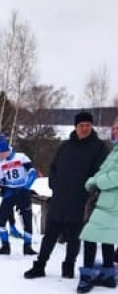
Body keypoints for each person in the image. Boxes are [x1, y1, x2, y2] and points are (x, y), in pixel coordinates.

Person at [24, 111, 108, 280]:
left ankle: (68, 267)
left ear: (91, 127)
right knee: (50, 234)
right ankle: (40, 265)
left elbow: (100, 173)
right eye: (81, 125)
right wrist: (53, 183)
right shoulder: (66, 145)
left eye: (88, 125)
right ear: (75, 127)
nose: (84, 128)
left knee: (73, 237)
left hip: (80, 199)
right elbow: (53, 167)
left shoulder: (98, 147)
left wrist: (89, 191)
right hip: (59, 197)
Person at [74, 118, 118, 293]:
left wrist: (95, 182)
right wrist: (94, 180)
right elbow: (103, 170)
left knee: (90, 235)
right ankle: (108, 275)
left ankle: (87, 275)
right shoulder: (115, 150)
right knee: (106, 237)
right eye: (114, 128)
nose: (115, 131)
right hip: (107, 200)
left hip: (111, 202)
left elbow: (115, 177)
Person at [0, 136, 38, 256]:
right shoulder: (2, 163)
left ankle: (28, 246)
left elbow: (32, 172)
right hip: (10, 192)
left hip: (22, 191)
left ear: (4, 150)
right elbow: (3, 180)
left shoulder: (21, 157)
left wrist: (26, 187)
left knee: (27, 218)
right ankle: (5, 245)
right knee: (1, 218)